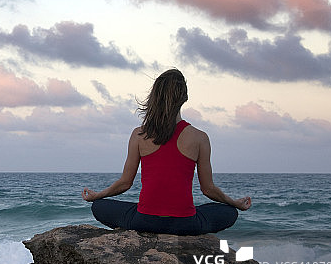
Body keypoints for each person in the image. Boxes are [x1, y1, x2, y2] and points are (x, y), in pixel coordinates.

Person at [82, 69, 251, 235]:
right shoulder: (200, 137)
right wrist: (234, 203)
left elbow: (125, 183)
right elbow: (208, 189)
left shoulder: (139, 134)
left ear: (155, 96)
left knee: (99, 206)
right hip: (186, 224)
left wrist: (98, 195)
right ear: (184, 97)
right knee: (229, 212)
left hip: (144, 221)